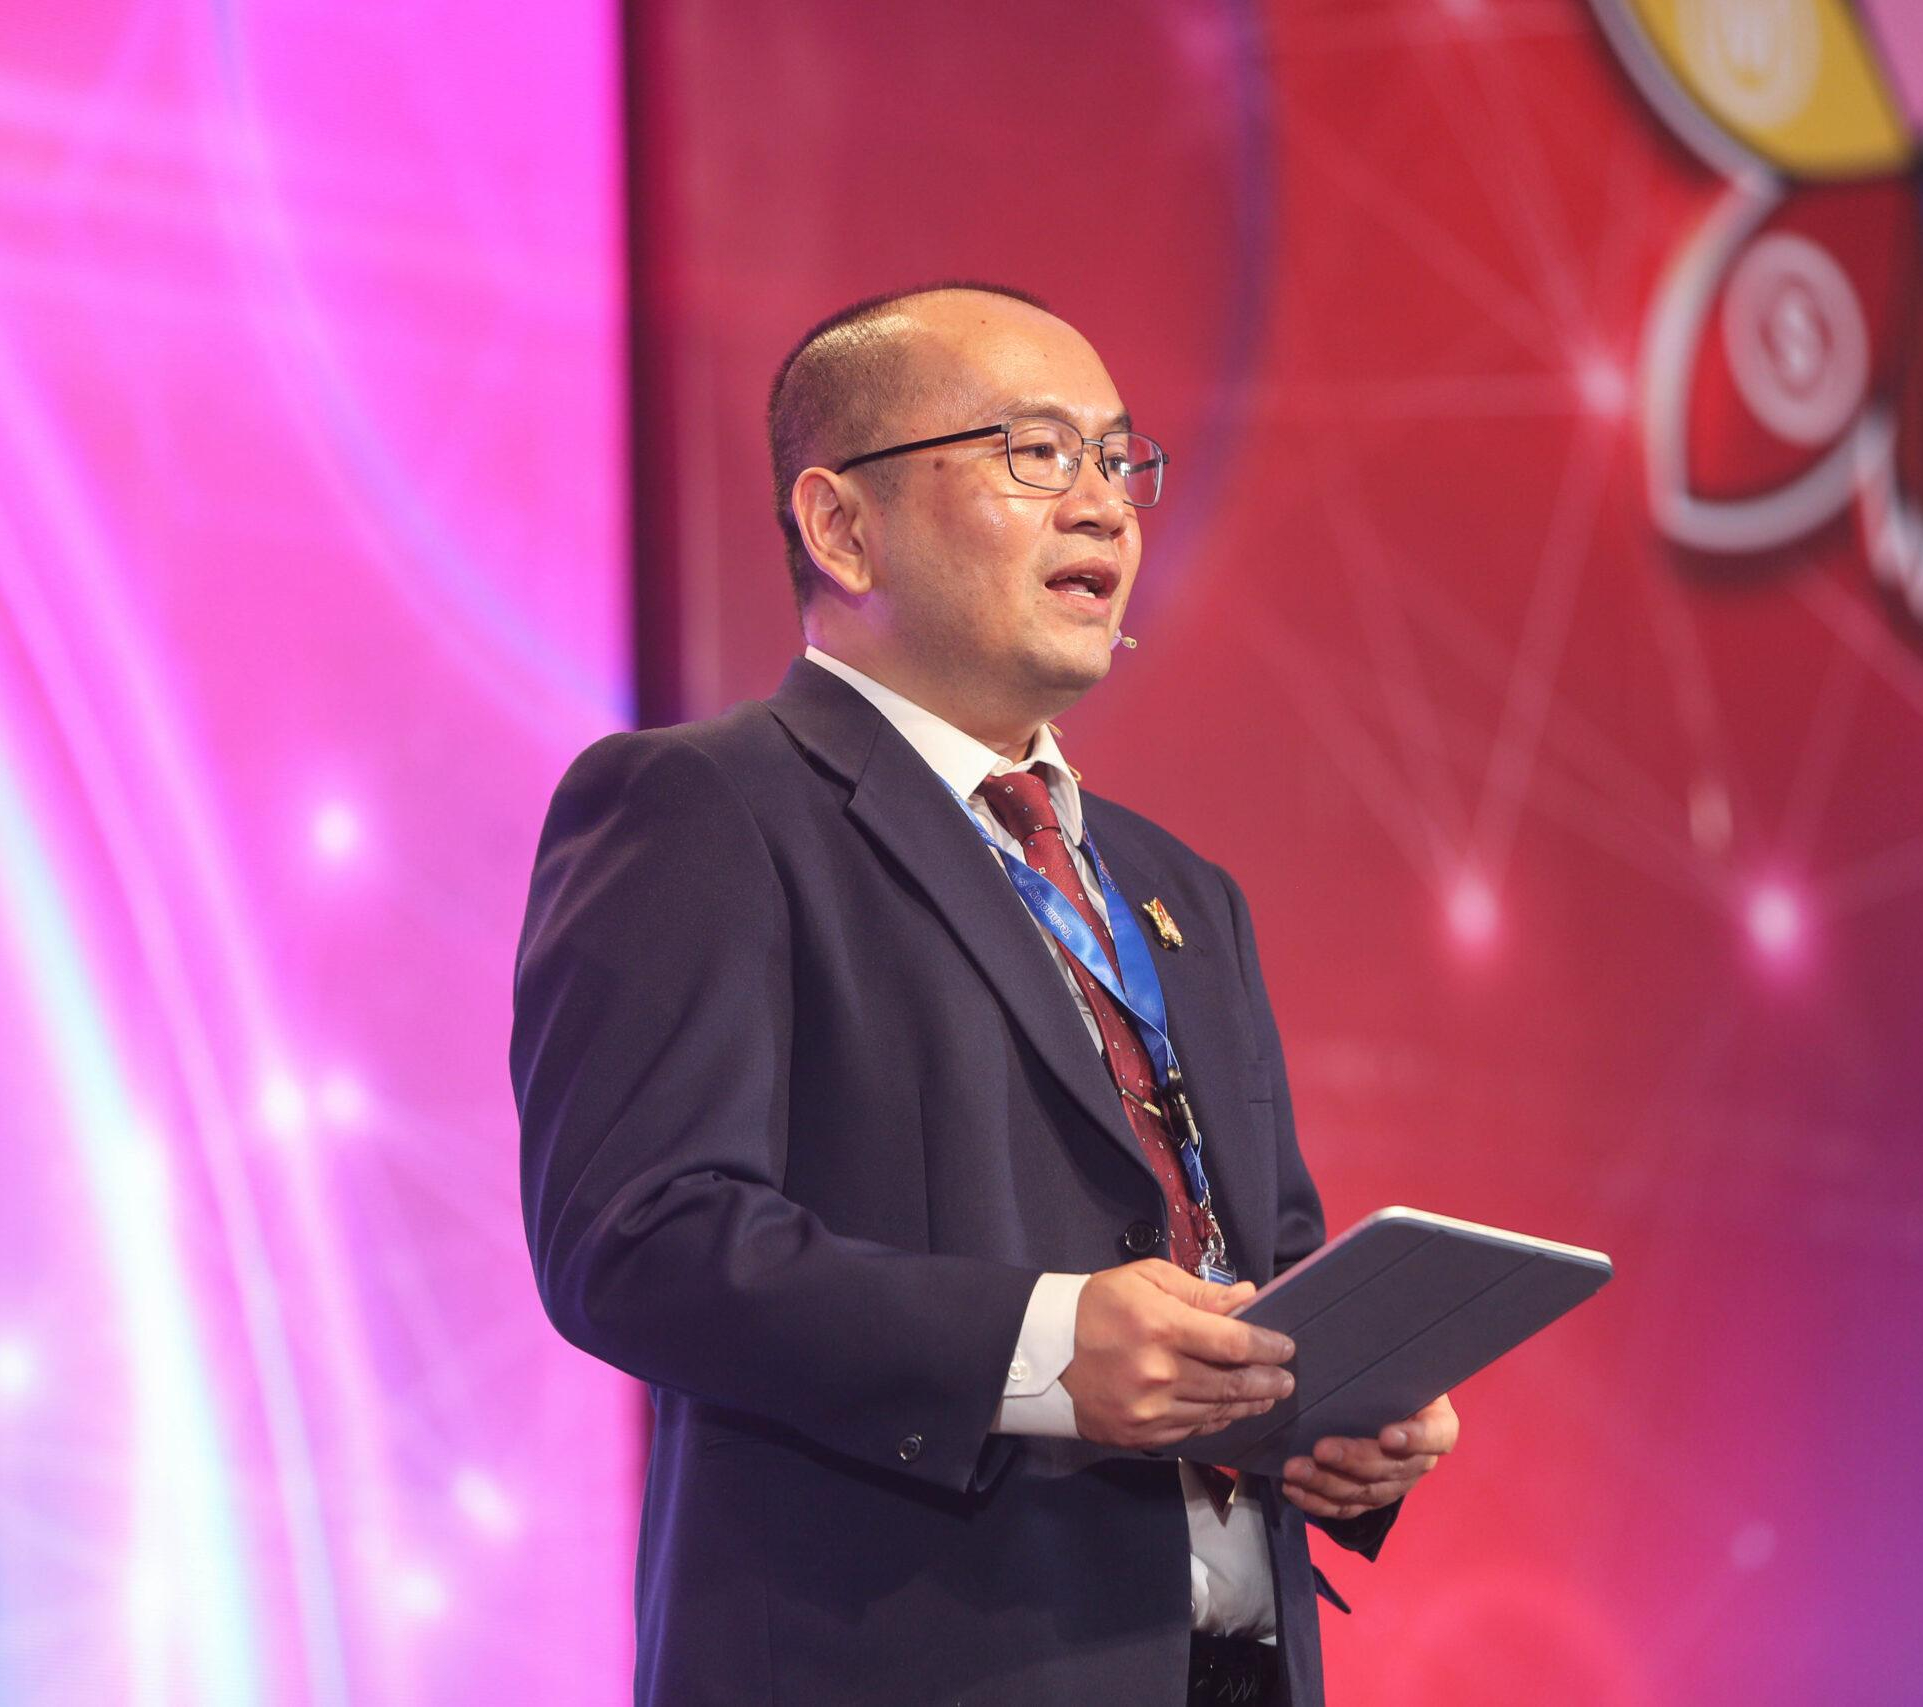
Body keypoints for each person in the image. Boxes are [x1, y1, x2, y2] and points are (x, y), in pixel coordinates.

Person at [512, 282, 1459, 1706]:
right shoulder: (707, 808)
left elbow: (1266, 1261)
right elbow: (638, 1240)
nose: (1105, 508)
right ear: (842, 526)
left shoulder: (1182, 889)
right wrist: (1047, 1350)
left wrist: (1334, 1409)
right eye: (1037, 453)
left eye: (1119, 460)